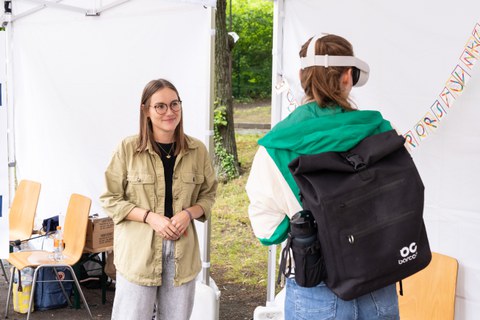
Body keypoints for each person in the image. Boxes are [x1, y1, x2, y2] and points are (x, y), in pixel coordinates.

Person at [246, 34, 400, 319]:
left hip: (315, 284)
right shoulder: (380, 131)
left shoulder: (277, 146)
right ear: (348, 77)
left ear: (302, 76)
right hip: (378, 280)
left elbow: (268, 231)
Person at [100, 78, 218, 320]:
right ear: (146, 110)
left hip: (182, 254)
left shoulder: (197, 151)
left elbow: (208, 194)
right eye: (160, 106)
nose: (169, 112)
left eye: (175, 104)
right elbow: (110, 198)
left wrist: (188, 214)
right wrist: (149, 217)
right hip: (138, 254)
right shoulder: (127, 149)